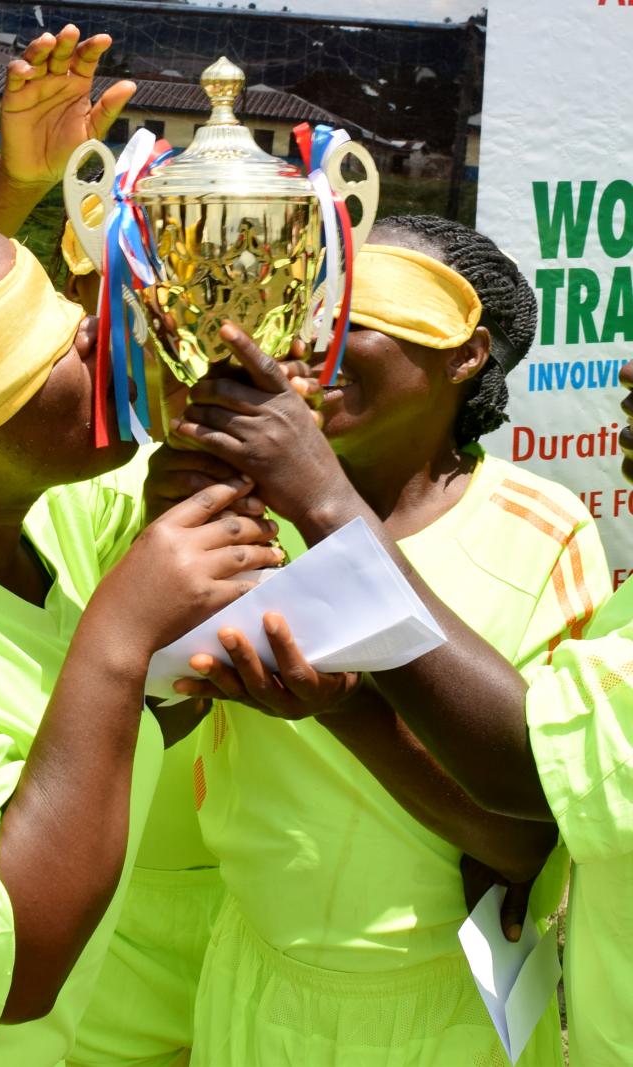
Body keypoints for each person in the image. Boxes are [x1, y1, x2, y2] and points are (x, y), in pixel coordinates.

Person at [151, 216, 612, 1066]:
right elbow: (155, 726)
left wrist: (346, 711)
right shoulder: (239, 511)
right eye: (307, 314)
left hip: (452, 1004)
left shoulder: (542, 532)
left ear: (463, 355)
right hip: (256, 972)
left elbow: (534, 831)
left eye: (360, 318)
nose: (318, 341)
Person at [0, 208, 281, 1066]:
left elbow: (66, 759)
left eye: (62, 307)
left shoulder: (5, 547)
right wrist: (119, 635)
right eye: (41, 351)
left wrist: (173, 665)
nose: (90, 336)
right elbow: (14, 971)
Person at [0, 28, 227, 1066]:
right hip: (58, 962)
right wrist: (10, 183)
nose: (109, 330)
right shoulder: (35, 473)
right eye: (93, 301)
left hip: (243, 955)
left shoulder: (297, 483)